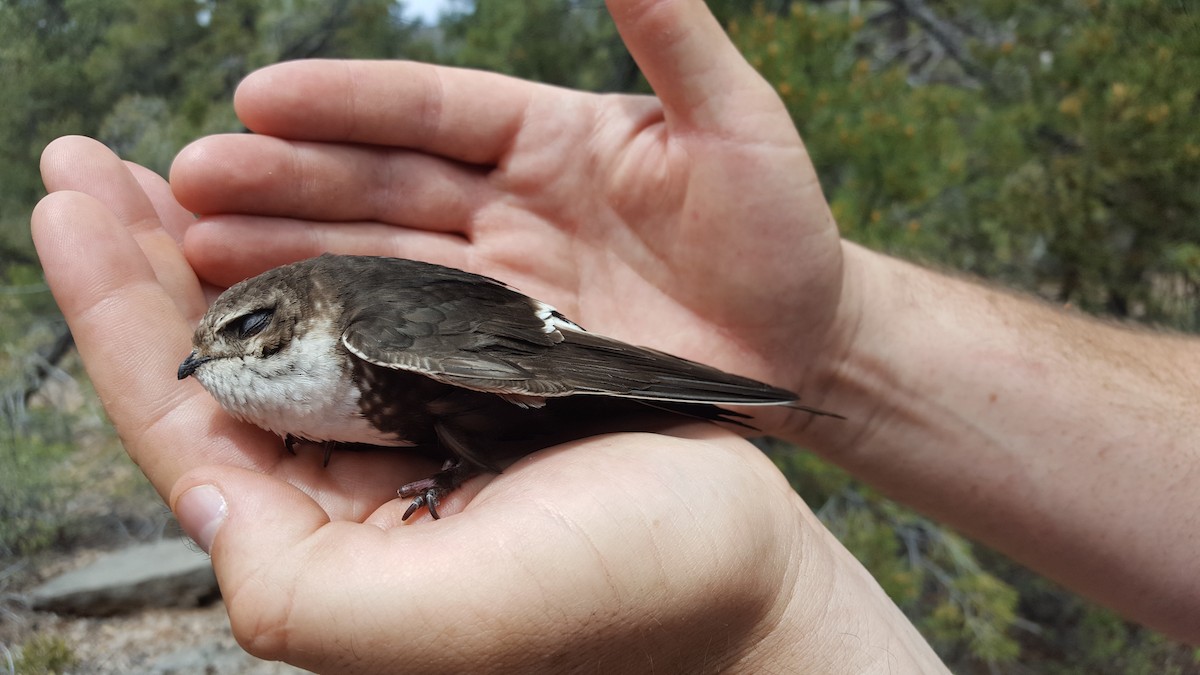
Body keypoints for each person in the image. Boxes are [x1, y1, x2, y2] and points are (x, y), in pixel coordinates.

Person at [31, 0, 1198, 671]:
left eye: (239, 337)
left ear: (290, 322)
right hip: (478, 354)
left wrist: (786, 396)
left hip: (517, 344)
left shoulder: (374, 331)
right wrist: (832, 341)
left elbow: (534, 363)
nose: (211, 365)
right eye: (214, 348)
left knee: (517, 385)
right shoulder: (270, 362)